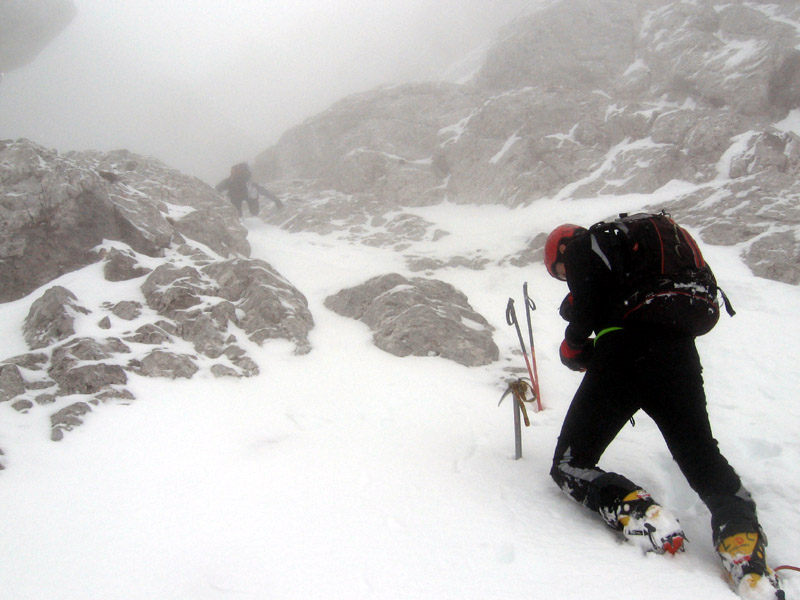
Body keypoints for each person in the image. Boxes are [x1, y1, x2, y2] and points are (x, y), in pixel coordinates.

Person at [543, 220, 784, 600]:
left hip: (622, 355)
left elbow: (590, 307)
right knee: (703, 458)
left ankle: (638, 512)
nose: (563, 276)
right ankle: (744, 550)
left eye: (559, 271)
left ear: (560, 250)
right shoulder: (636, 256)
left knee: (571, 462)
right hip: (678, 354)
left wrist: (572, 346)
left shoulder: (582, 246)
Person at [215, 162, 283, 217]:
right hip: (249, 196)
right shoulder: (248, 182)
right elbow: (264, 191)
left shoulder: (230, 180)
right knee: (254, 212)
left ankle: (239, 219)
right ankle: (241, 216)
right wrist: (277, 201)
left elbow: (218, 189)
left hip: (235, 197)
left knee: (238, 215)